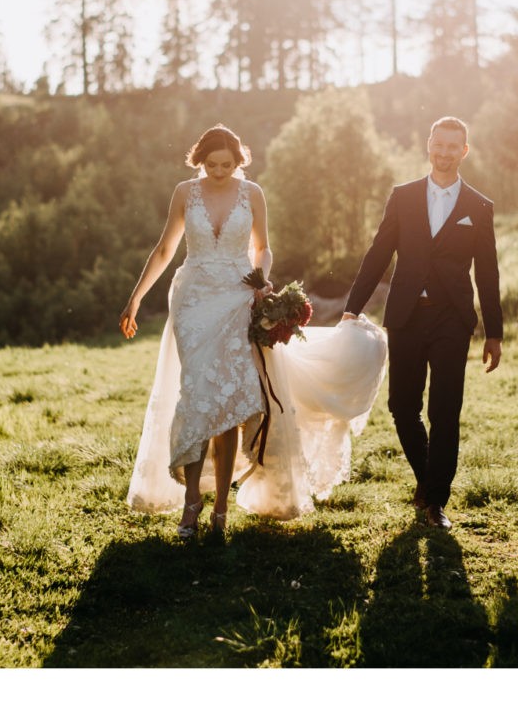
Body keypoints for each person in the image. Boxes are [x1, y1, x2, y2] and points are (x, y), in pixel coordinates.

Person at [121, 126, 387, 537]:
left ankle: (221, 509)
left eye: (227, 165)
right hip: (192, 303)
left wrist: (261, 278)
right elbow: (164, 249)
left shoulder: (253, 194)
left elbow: (263, 246)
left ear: (239, 161)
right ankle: (191, 503)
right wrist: (136, 298)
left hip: (236, 297)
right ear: (200, 160)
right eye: (211, 165)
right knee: (197, 397)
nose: (220, 171)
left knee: (230, 404)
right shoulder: (183, 193)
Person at [344, 115, 504, 530]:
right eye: (440, 144)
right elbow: (378, 254)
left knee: (445, 411)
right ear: (428, 145)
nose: (445, 152)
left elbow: (488, 272)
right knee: (402, 407)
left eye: (454, 146)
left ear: (464, 151)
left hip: (453, 319)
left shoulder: (479, 207)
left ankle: (435, 503)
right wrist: (353, 306)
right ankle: (427, 480)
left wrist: (495, 331)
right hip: (406, 316)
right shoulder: (403, 197)